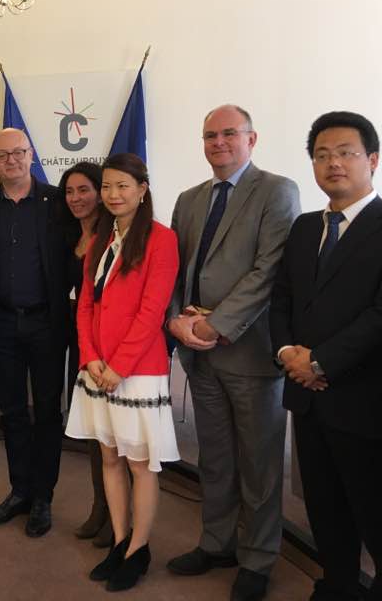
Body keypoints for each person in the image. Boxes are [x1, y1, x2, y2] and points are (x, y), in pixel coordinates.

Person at [270, 111, 382, 601]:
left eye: (345, 153)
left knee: (373, 510)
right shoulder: (302, 228)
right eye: (322, 155)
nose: (332, 163)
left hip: (360, 399)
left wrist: (319, 363)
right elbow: (282, 301)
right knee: (323, 505)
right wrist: (288, 353)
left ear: (372, 160)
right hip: (307, 396)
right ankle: (335, 584)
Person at [166, 105, 300, 601]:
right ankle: (217, 542)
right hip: (198, 354)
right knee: (216, 458)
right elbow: (176, 269)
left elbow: (268, 270)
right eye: (209, 135)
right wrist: (178, 320)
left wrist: (215, 325)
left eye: (229, 134)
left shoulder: (276, 190)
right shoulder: (189, 198)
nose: (218, 142)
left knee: (259, 462)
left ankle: (258, 558)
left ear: (251, 138)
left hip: (248, 352)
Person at [66, 153, 180, 592]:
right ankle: (119, 538)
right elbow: (86, 306)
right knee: (109, 458)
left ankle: (140, 548)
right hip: (97, 370)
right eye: (108, 187)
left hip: (136, 371)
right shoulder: (99, 240)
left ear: (142, 189)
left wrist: (118, 366)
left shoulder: (161, 240)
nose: (113, 195)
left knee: (140, 465)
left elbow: (152, 313)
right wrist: (91, 358)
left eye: (122, 187)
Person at [0, 128, 73, 538]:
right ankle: (19, 490)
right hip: (2, 324)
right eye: (2, 155)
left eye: (18, 153)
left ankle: (43, 496)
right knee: (10, 410)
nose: (11, 160)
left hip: (46, 322)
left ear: (31, 154)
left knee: (46, 410)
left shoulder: (57, 203)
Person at [59, 162, 112, 548]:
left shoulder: (114, 236)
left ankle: (117, 514)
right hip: (81, 345)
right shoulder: (68, 235)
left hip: (110, 349)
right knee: (94, 433)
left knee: (115, 435)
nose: (76, 199)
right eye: (69, 192)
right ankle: (100, 508)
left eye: (84, 190)